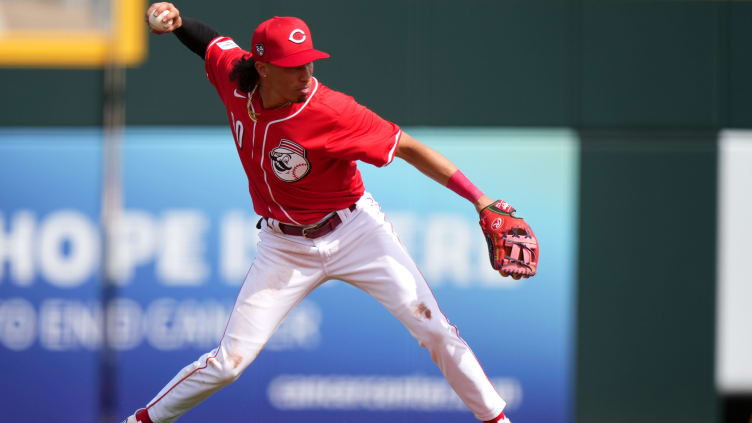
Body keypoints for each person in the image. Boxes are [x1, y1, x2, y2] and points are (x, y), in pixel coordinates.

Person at [124, 3, 539, 423]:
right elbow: (210, 42)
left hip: (355, 231)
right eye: (293, 66)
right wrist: (178, 24)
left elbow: (409, 147)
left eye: (308, 63)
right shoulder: (237, 77)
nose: (305, 74)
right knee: (228, 363)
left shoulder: (332, 111)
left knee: (433, 328)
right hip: (283, 247)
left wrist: (479, 198)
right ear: (263, 67)